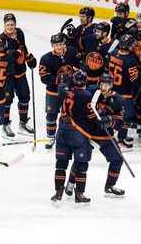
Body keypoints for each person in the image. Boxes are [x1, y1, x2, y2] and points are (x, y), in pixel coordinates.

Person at [63, 73, 126, 198]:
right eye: (101, 85)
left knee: (118, 160)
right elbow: (75, 88)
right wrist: (63, 86)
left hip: (106, 136)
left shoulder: (118, 100)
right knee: (80, 160)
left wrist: (110, 121)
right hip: (88, 133)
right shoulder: (90, 91)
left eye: (106, 85)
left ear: (111, 85)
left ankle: (109, 187)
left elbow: (119, 124)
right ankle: (70, 183)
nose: (103, 88)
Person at [50, 70, 96, 207]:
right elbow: (91, 115)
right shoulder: (86, 95)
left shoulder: (66, 91)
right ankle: (79, 194)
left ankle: (58, 193)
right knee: (81, 165)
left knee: (60, 165)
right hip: (78, 133)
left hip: (62, 131)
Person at [106, 34, 141, 149]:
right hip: (124, 93)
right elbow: (135, 79)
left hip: (111, 90)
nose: (134, 46)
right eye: (132, 44)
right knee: (126, 118)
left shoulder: (113, 54)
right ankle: (121, 140)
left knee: (114, 115)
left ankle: (115, 137)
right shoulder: (129, 60)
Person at [38, 33, 79, 149]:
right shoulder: (46, 58)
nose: (59, 47)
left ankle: (66, 137)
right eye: (56, 45)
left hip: (69, 91)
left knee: (68, 115)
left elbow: (78, 64)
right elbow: (43, 77)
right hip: (53, 92)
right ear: (52, 46)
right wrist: (59, 80)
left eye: (60, 44)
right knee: (51, 115)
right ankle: (51, 137)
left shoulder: (71, 51)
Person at [0, 13, 37, 139]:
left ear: (15, 24)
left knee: (25, 96)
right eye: (7, 25)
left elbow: (23, 48)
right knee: (8, 99)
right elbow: (2, 55)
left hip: (20, 71)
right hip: (8, 74)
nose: (10, 27)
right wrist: (10, 53)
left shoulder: (20, 33)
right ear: (4, 26)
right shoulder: (2, 38)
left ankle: (23, 124)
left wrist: (29, 58)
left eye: (12, 24)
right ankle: (5, 125)